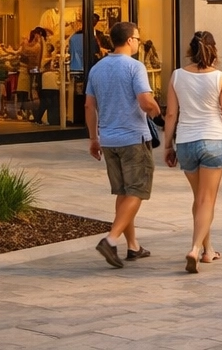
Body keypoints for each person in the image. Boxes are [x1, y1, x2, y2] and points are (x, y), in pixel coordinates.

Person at [163, 31, 222, 273]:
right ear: (214, 49)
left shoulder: (177, 76)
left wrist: (168, 145)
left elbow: (170, 114)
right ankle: (195, 248)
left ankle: (208, 251)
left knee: (199, 199)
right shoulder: (221, 77)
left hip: (186, 142)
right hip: (214, 140)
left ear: (190, 50)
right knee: (207, 200)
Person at [84, 21, 161, 269]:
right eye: (137, 38)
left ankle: (133, 246)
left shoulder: (97, 69)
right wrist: (157, 110)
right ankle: (111, 239)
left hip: (108, 140)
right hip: (133, 139)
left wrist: (93, 138)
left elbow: (88, 106)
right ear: (129, 40)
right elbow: (145, 101)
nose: (138, 42)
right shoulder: (134, 67)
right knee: (137, 191)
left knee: (123, 192)